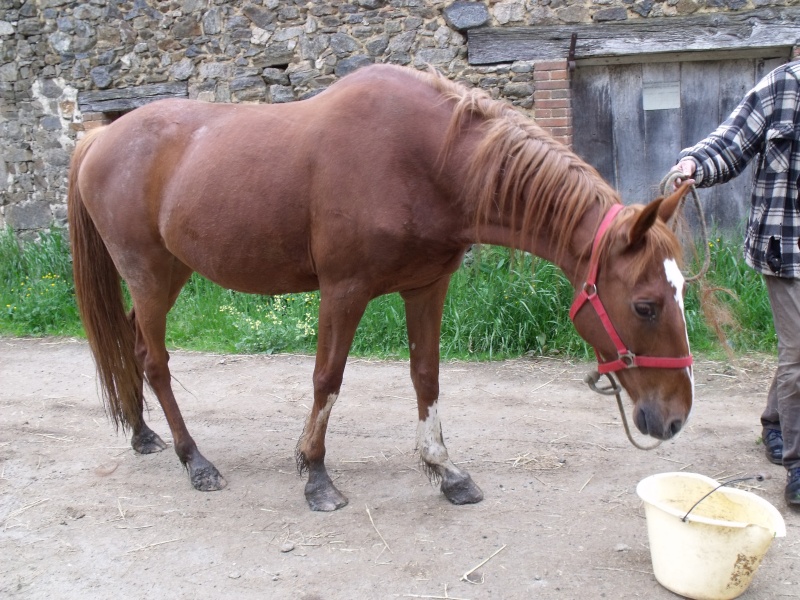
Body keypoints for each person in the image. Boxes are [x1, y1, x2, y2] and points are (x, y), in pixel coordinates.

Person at [671, 58, 800, 509]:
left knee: (795, 353)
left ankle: (775, 422)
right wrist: (693, 164)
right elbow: (731, 142)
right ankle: (799, 465)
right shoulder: (783, 85)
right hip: (788, 248)